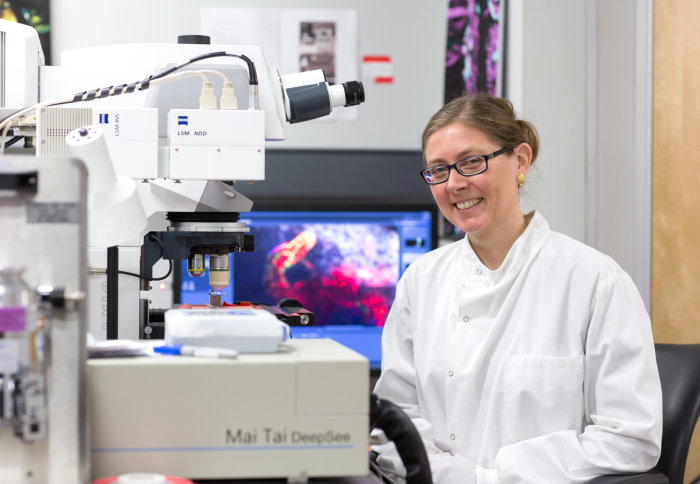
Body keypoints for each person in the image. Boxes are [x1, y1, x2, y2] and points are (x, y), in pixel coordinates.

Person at [372, 93, 662, 483]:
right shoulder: (420, 282)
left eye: (472, 162)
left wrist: (489, 478)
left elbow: (630, 438)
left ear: (520, 160)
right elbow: (394, 420)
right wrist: (445, 474)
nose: (454, 183)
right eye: (437, 170)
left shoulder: (595, 282)